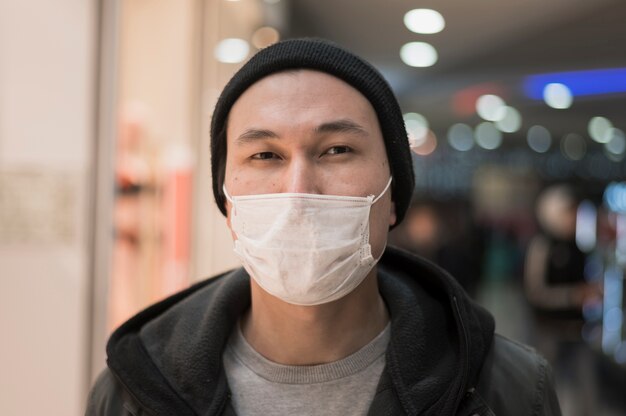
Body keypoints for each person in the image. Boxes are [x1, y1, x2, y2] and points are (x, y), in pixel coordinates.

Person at [86, 38, 561, 415]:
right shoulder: (134, 392)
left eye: (337, 150)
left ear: (392, 194)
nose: (299, 190)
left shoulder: (509, 390)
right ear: (227, 202)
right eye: (264, 155)